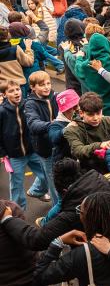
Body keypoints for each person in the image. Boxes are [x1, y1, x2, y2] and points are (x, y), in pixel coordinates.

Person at [0, 78, 50, 210]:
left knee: (46, 175)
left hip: (33, 150)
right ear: (4, 95)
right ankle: (18, 211)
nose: (16, 93)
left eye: (17, 89)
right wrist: (2, 152)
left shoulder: (28, 105)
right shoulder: (2, 112)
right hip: (14, 155)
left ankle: (36, 191)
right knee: (16, 186)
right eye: (11, 91)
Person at [22, 71, 60, 206]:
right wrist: (53, 125)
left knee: (61, 177)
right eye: (41, 85)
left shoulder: (56, 96)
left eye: (48, 83)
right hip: (45, 148)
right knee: (54, 183)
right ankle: (58, 213)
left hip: (60, 144)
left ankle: (36, 190)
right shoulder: (30, 104)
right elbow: (33, 124)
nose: (46, 87)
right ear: (32, 87)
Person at [62, 91, 110, 174]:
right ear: (81, 113)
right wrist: (100, 145)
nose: (96, 118)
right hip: (90, 175)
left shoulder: (109, 121)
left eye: (98, 113)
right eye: (90, 114)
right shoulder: (72, 130)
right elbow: (78, 151)